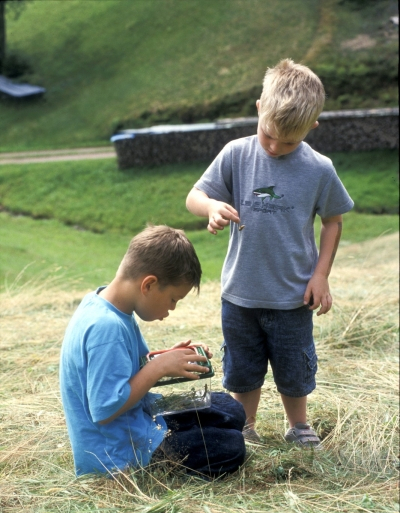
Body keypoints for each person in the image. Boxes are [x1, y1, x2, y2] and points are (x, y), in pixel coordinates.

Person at [186, 59, 354, 446]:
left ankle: (298, 425)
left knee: (294, 367)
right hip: (240, 294)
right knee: (243, 369)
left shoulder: (319, 169)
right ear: (260, 108)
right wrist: (211, 208)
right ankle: (245, 426)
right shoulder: (236, 154)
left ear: (312, 127)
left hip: (293, 296)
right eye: (269, 136)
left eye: (289, 142)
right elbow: (194, 196)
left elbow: (333, 221)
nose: (276, 148)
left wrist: (321, 275)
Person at [60, 225, 246, 478]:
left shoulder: (108, 306)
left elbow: (127, 369)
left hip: (138, 419)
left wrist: (169, 358)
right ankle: (155, 466)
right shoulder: (106, 328)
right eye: (173, 299)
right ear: (149, 284)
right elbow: (104, 409)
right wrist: (157, 368)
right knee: (231, 446)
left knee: (230, 408)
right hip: (118, 453)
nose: (172, 309)